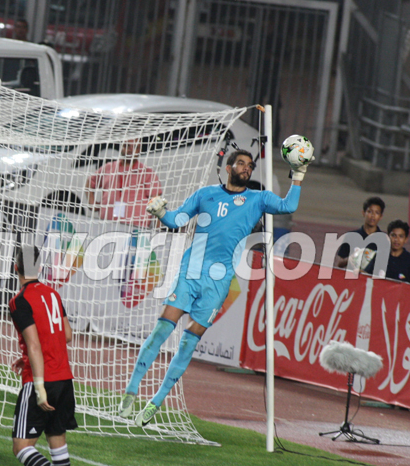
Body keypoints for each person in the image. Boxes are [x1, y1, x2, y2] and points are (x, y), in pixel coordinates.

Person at [118, 149, 305, 426]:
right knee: (162, 329)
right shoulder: (205, 194)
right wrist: (160, 212)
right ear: (228, 168)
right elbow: (177, 220)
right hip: (190, 271)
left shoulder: (258, 199)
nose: (246, 168)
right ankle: (131, 392)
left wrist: (298, 175)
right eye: (241, 163)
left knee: (188, 341)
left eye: (250, 165)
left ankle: (156, 401)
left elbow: (289, 206)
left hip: (218, 282)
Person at [9, 245, 82, 466]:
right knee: (57, 442)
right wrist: (27, 355)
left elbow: (34, 345)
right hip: (64, 377)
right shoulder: (53, 294)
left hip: (43, 380)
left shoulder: (20, 300)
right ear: (39, 269)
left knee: (22, 447)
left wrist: (39, 387)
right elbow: (67, 335)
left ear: (16, 268)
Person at [84, 139, 162, 227]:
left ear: (139, 150)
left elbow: (156, 202)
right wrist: (92, 203)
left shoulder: (147, 172)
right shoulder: (108, 168)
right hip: (106, 225)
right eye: (127, 146)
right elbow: (90, 181)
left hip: (136, 227)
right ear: (122, 147)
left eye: (135, 147)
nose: (130, 150)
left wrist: (157, 229)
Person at [364, 220, 410, 285]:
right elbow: (366, 276)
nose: (396, 239)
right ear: (388, 237)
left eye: (400, 236)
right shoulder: (380, 256)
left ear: (406, 239)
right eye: (393, 235)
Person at [335, 196, 385, 269]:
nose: (373, 216)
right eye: (369, 211)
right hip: (352, 278)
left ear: (381, 217)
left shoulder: (384, 240)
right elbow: (339, 263)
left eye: (377, 213)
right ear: (363, 213)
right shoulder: (351, 236)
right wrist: (352, 258)